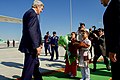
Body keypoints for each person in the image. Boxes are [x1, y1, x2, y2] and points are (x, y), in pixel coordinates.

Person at [18, 0, 44, 80]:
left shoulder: (28, 13)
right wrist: (36, 46)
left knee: (35, 65)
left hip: (30, 45)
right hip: (31, 47)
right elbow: (32, 30)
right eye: (41, 9)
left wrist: (40, 43)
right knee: (29, 68)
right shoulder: (32, 14)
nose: (41, 11)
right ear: (37, 6)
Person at [101, 0, 120, 80]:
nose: (101, 2)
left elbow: (118, 27)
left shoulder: (116, 3)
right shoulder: (112, 5)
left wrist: (114, 49)